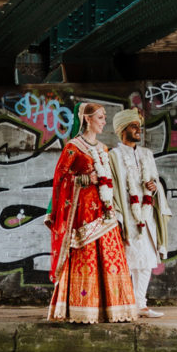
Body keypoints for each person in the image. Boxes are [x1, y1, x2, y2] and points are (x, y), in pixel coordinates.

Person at [46, 102, 136, 323]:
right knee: (85, 258)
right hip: (83, 213)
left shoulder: (103, 149)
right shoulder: (73, 147)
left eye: (104, 118)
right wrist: (85, 179)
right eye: (101, 118)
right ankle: (81, 309)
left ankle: (111, 308)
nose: (104, 122)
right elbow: (60, 179)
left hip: (105, 212)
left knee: (110, 256)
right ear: (87, 119)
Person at [108, 108, 172, 318]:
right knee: (126, 261)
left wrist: (155, 188)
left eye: (138, 126)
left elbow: (154, 181)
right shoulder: (113, 156)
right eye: (134, 126)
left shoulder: (146, 154)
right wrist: (117, 219)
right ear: (122, 129)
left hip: (146, 215)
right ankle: (124, 305)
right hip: (125, 215)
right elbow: (111, 188)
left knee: (145, 260)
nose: (138, 130)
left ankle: (141, 305)